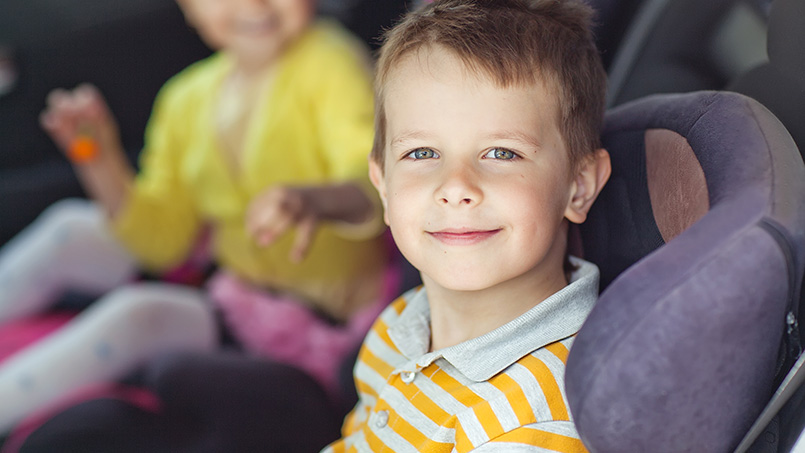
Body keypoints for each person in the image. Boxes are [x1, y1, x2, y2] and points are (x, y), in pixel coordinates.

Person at [0, 0, 393, 435]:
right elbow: (165, 243)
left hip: (309, 321)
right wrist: (99, 161)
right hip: (224, 278)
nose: (254, 5)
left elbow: (377, 182)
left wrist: (314, 201)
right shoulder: (186, 98)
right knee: (69, 226)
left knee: (140, 315)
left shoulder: (331, 63)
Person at [322, 0, 612, 450]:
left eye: (501, 153)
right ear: (382, 185)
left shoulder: (541, 416)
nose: (456, 186)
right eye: (422, 154)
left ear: (579, 185)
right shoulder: (402, 323)